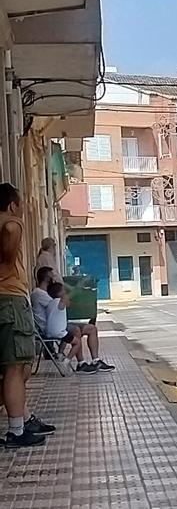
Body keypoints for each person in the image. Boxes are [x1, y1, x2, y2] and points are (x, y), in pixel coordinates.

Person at [0, 183, 53, 448]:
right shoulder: (11, 222)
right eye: (20, 205)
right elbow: (10, 229)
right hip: (9, 300)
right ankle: (16, 431)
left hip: (7, 301)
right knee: (14, 366)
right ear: (12, 205)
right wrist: (8, 257)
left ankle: (25, 416)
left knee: (18, 368)